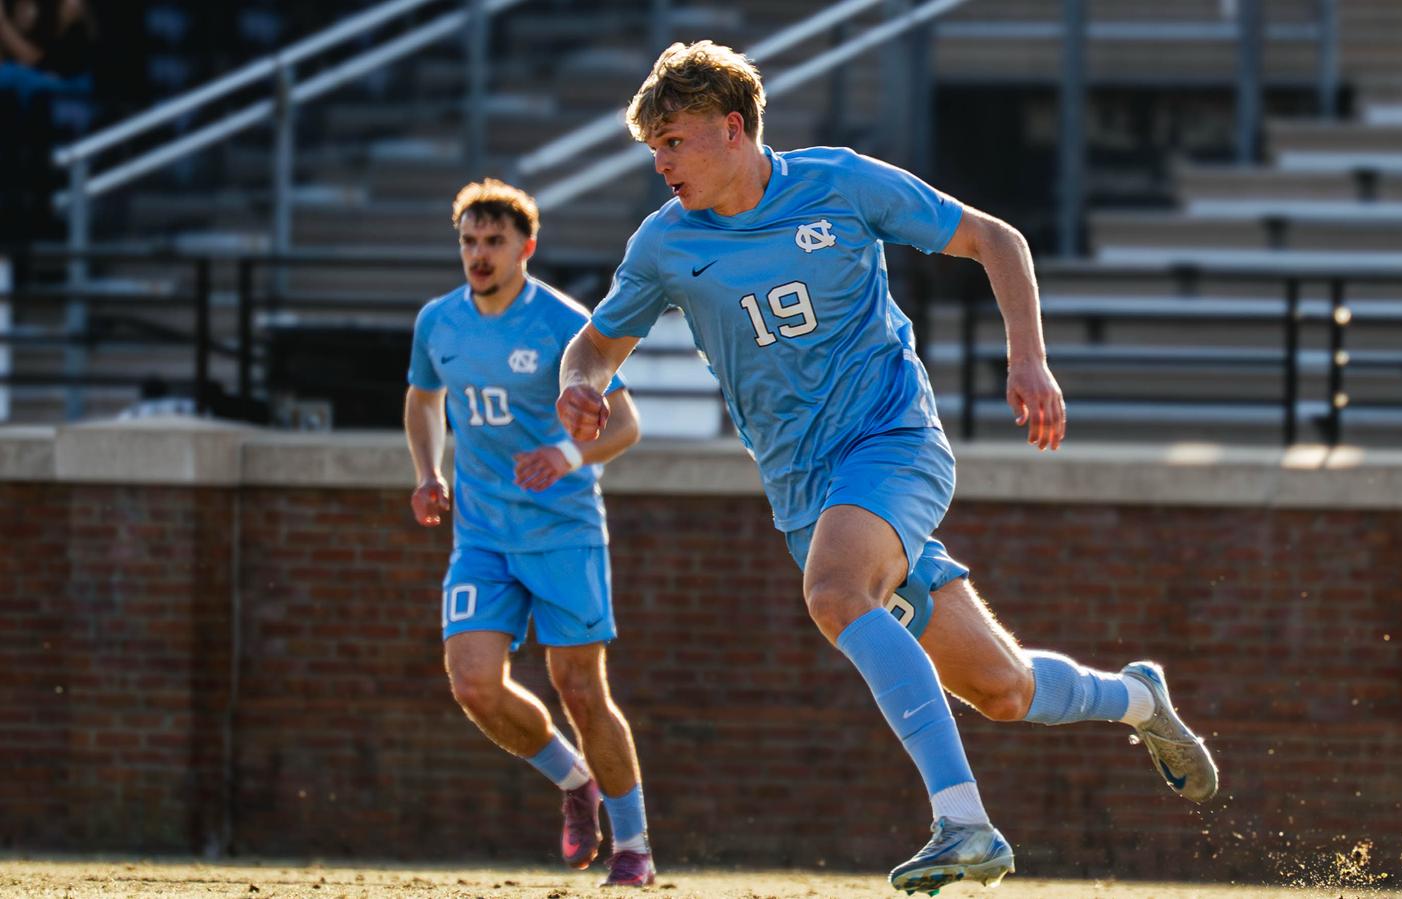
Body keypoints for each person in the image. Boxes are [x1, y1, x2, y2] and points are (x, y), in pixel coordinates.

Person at [555, 41, 1219, 894]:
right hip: (806, 491)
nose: (660, 163)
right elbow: (595, 345)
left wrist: (1029, 361)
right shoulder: (663, 246)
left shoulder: (840, 182)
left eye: (673, 141)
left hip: (891, 443)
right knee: (1004, 688)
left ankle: (964, 823)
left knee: (836, 595)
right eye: (652, 147)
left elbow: (997, 240)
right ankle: (1138, 699)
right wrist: (581, 386)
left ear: (733, 128)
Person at [406, 179, 654, 887]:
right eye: (469, 241)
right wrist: (428, 470)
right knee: (474, 682)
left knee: (579, 687)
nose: (479, 255)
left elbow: (628, 424)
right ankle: (576, 781)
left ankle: (634, 846)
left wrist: (565, 454)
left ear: (526, 247)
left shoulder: (563, 324)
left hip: (564, 531)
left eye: (494, 242)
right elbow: (423, 400)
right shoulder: (438, 322)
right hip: (482, 536)